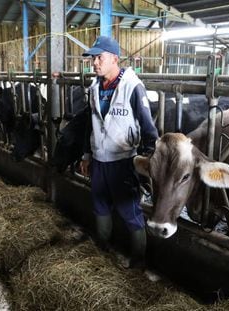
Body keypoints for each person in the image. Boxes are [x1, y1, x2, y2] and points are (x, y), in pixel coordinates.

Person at [80, 36, 158, 270]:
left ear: (114, 58)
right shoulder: (94, 87)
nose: (94, 62)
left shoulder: (132, 87)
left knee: (130, 212)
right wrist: (86, 155)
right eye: (93, 58)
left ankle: (138, 260)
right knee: (100, 206)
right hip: (99, 161)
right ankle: (101, 249)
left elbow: (148, 128)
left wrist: (148, 161)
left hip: (123, 161)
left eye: (99, 57)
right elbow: (89, 124)